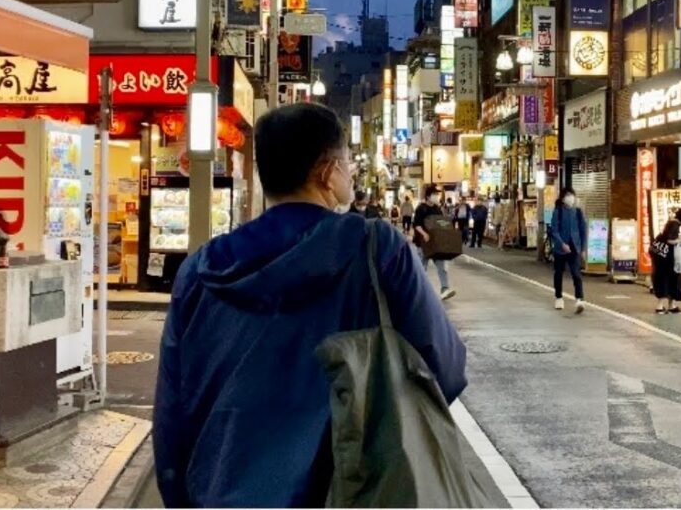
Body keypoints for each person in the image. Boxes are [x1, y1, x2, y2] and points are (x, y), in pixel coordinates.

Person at [153, 104, 466, 507]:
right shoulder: (376, 249)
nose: (350, 173)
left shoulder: (201, 269)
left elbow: (171, 412)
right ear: (327, 172)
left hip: (220, 491)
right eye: (348, 163)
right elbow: (444, 367)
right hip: (350, 491)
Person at [549, 188, 587, 313]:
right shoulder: (558, 211)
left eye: (572, 195)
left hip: (574, 247)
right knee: (558, 273)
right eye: (567, 195)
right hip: (560, 249)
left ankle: (580, 299)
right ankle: (559, 297)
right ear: (562, 198)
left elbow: (583, 231)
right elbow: (554, 230)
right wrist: (562, 244)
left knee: (576, 274)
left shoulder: (577, 212)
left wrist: (583, 248)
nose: (570, 197)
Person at [414, 184, 455, 300]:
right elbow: (416, 225)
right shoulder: (421, 208)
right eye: (434, 194)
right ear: (428, 196)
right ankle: (419, 291)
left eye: (437, 194)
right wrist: (424, 234)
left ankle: (445, 289)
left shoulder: (437, 209)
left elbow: (441, 223)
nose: (436, 196)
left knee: (441, 266)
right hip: (423, 244)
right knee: (422, 268)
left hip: (435, 244)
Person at [651, 219, 681, 314]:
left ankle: (665, 306)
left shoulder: (659, 237)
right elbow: (671, 242)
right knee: (673, 283)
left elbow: (652, 250)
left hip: (659, 265)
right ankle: (666, 306)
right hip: (669, 265)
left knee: (664, 284)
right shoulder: (672, 239)